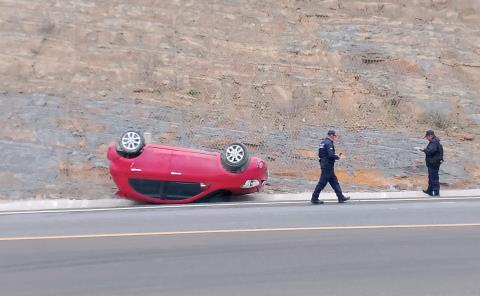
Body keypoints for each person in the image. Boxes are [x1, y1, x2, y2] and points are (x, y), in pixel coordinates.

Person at [311, 130, 350, 204]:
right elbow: (331, 155)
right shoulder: (329, 143)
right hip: (327, 166)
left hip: (325, 165)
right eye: (335, 136)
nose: (335, 138)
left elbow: (320, 155)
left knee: (334, 182)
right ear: (331, 135)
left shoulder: (322, 143)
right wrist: (337, 157)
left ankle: (340, 197)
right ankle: (314, 198)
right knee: (322, 183)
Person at [421, 130, 443, 196]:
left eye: (427, 137)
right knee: (431, 177)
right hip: (433, 162)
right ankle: (430, 191)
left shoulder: (434, 142)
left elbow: (430, 151)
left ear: (430, 136)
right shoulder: (435, 141)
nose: (427, 138)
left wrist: (424, 150)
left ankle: (436, 193)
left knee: (434, 178)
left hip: (433, 163)